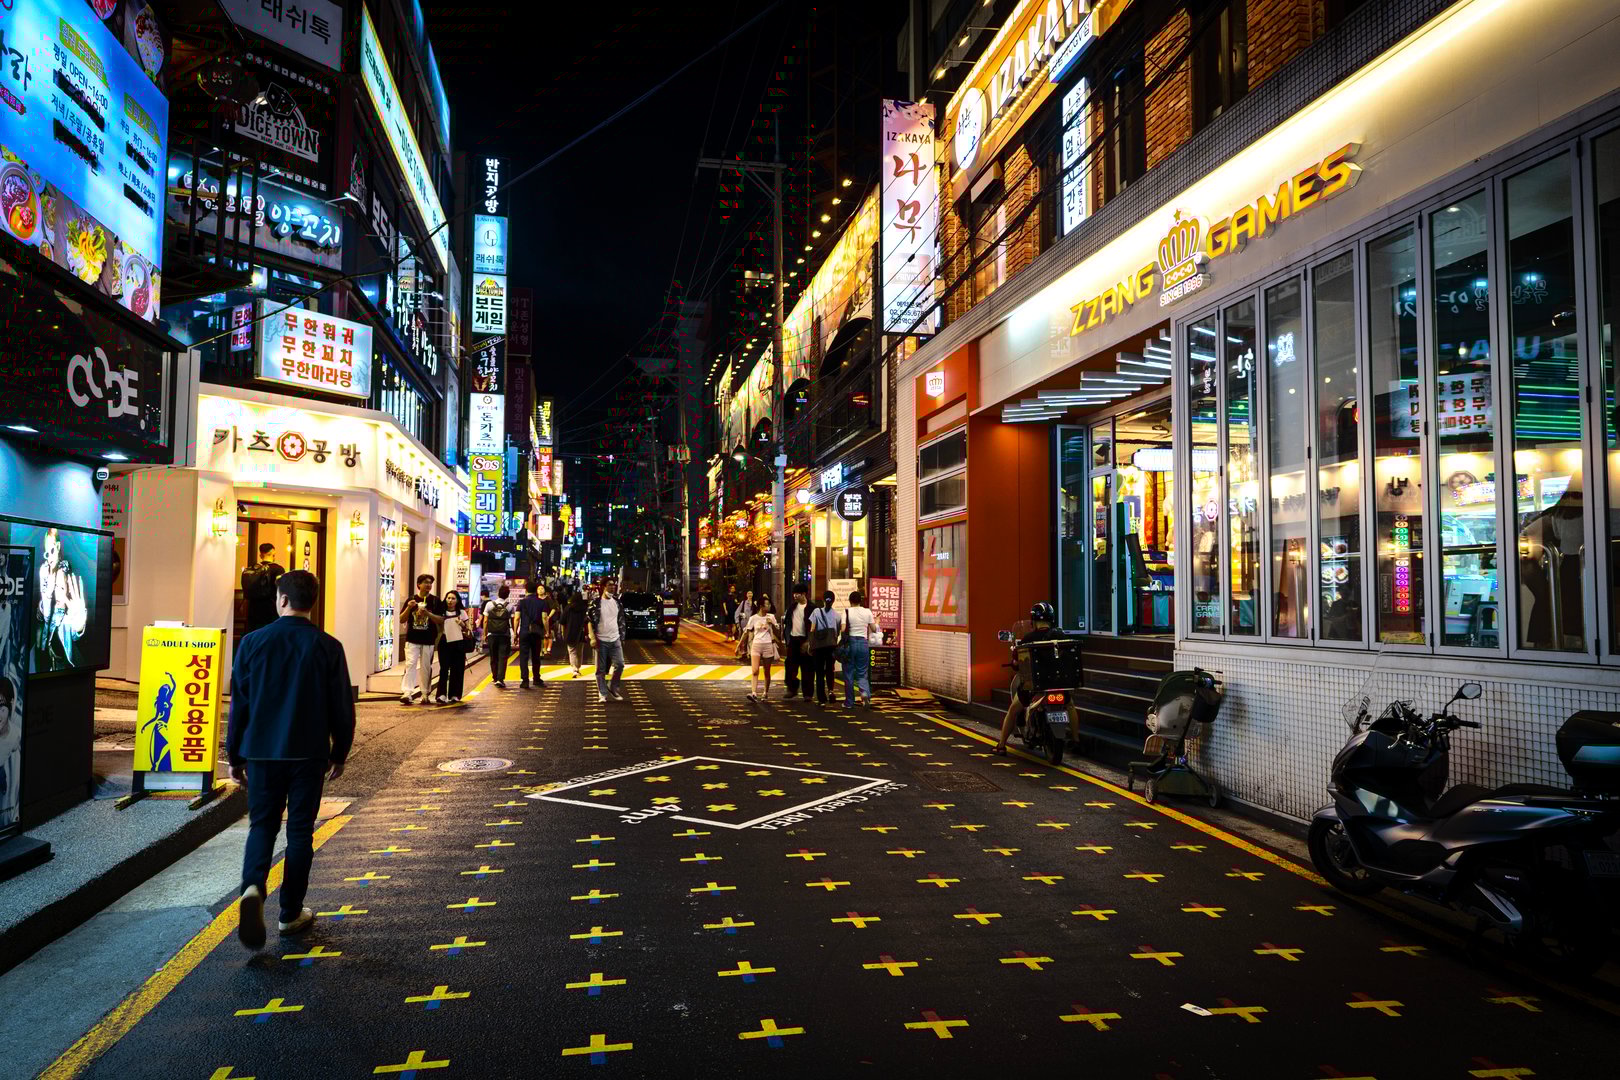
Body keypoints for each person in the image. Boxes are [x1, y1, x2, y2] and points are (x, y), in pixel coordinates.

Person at [227, 569, 355, 950]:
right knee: (300, 830)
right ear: (311, 603)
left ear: (281, 599)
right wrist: (340, 751)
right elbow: (342, 706)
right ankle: (290, 913)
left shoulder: (251, 643)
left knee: (262, 825)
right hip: (309, 752)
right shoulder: (327, 646)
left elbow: (240, 705)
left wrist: (234, 754)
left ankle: (253, 886)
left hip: (262, 752)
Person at [994, 602, 1069, 755]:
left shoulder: (1028, 638)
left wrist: (1015, 662)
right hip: (1058, 682)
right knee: (1071, 706)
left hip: (1034, 685)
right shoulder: (1061, 636)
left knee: (1013, 710)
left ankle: (1001, 745)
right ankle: (1075, 738)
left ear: (1034, 621)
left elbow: (1017, 662)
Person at [399, 574, 444, 705]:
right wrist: (409, 607)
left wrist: (428, 614)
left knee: (426, 667)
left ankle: (425, 693)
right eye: (425, 582)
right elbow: (401, 619)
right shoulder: (412, 599)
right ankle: (407, 692)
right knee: (410, 664)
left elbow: (441, 620)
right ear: (418, 584)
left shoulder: (435, 601)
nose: (428, 585)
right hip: (412, 638)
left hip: (429, 639)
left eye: (430, 583)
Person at [840, 589, 883, 709]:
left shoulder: (846, 611)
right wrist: (877, 621)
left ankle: (849, 702)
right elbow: (874, 629)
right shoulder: (867, 611)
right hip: (863, 643)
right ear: (861, 601)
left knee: (848, 673)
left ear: (850, 601)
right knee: (862, 672)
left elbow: (843, 630)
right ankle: (864, 694)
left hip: (850, 644)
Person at [587, 577, 627, 703]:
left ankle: (612, 687)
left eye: (614, 585)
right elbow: (589, 621)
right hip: (601, 640)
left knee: (620, 664)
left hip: (615, 639)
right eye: (610, 585)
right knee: (601, 669)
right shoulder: (595, 603)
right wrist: (592, 638)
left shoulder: (617, 602)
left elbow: (621, 620)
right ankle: (602, 693)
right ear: (603, 587)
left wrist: (622, 636)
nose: (612, 587)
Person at [240, 542, 286, 635]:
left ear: (261, 555)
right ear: (273, 553)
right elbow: (282, 589)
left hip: (253, 610)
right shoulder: (278, 569)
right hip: (271, 609)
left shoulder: (251, 569)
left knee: (254, 636)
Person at [743, 595, 782, 703]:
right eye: (767, 604)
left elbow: (778, 633)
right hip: (756, 645)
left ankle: (765, 692)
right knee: (755, 670)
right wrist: (745, 646)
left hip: (767, 645)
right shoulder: (753, 618)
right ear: (761, 606)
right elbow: (748, 633)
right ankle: (754, 693)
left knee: (766, 671)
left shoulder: (771, 617)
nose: (769, 606)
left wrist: (772, 624)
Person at [516, 585, 555, 690]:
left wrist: (515, 633)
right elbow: (544, 618)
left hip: (524, 632)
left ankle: (525, 680)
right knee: (536, 656)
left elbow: (517, 618)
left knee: (523, 657)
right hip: (537, 632)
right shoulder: (541, 602)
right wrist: (547, 631)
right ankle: (536, 678)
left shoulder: (521, 602)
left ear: (526, 590)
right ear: (535, 591)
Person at [435, 591, 470, 703]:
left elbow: (468, 629)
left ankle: (455, 694)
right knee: (444, 669)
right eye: (448, 598)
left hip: (458, 642)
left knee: (457, 669)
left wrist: (462, 624)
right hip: (444, 642)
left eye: (453, 598)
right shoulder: (441, 612)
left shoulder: (462, 612)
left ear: (457, 600)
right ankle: (441, 694)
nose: (450, 600)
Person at [807, 591, 840, 705]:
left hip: (818, 646)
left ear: (823, 600)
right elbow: (837, 632)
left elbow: (812, 629)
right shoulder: (837, 615)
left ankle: (821, 698)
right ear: (833, 601)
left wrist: (810, 644)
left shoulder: (816, 611)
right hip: (831, 646)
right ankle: (831, 691)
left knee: (819, 672)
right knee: (830, 670)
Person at [483, 586, 515, 688]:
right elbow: (513, 621)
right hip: (504, 635)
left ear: (498, 593)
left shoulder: (489, 604)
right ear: (507, 595)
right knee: (503, 657)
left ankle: (495, 677)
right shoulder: (510, 606)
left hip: (492, 634)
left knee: (493, 657)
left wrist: (484, 634)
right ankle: (500, 679)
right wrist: (515, 633)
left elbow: (485, 621)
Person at [782, 584, 810, 699]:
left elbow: (814, 626)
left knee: (807, 668)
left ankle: (807, 693)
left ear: (804, 594)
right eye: (794, 593)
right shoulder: (792, 607)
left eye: (797, 594)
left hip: (805, 640)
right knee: (790, 665)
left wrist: (808, 641)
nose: (795, 596)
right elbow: (787, 624)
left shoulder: (812, 608)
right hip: (793, 639)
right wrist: (787, 640)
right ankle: (792, 688)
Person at [562, 591, 589, 677]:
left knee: (572, 651)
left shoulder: (568, 608)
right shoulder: (584, 608)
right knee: (579, 652)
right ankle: (578, 667)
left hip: (570, 632)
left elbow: (562, 622)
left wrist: (563, 633)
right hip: (581, 633)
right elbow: (587, 621)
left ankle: (574, 669)